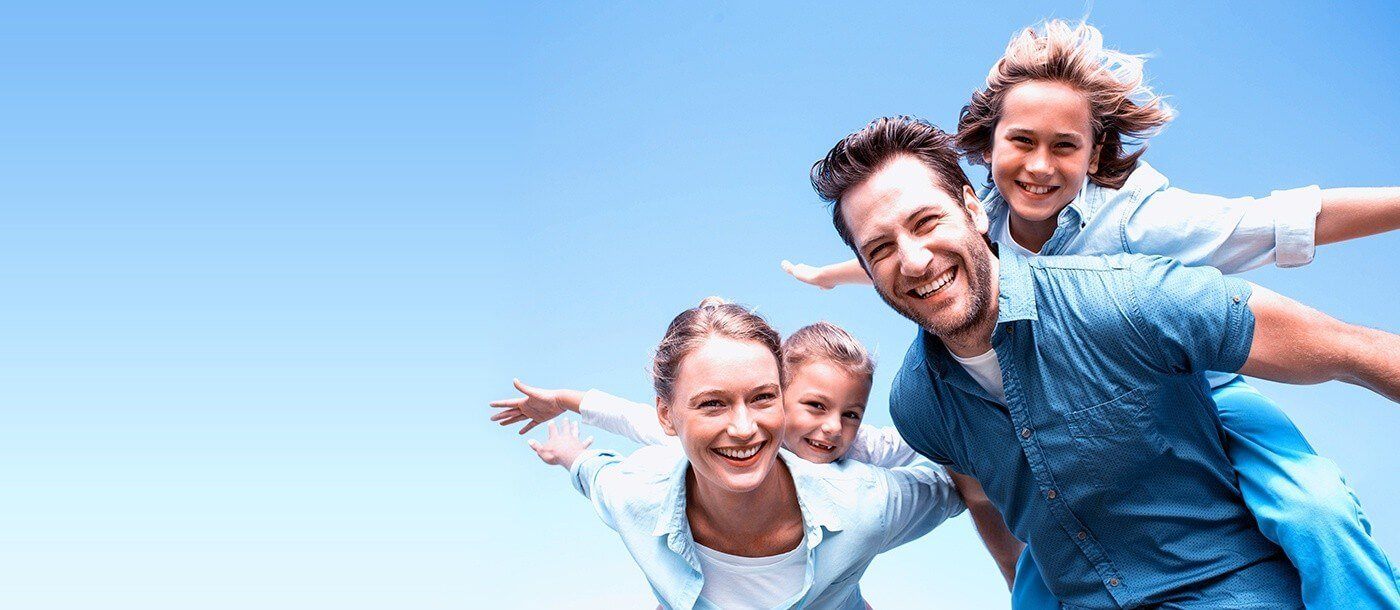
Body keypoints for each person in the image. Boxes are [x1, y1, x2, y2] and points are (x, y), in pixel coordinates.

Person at [787, 21, 1400, 609]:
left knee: (1316, 512)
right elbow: (910, 261)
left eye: (1064, 146)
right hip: (1081, 532)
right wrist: (831, 275)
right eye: (1021, 142)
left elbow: (1289, 233)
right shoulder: (928, 390)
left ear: (1094, 152)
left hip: (1202, 388)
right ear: (989, 150)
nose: (1039, 167)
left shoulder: (1136, 246)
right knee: (1036, 577)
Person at [492, 321, 1026, 587]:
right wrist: (565, 408)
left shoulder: (863, 457)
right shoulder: (707, 446)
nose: (831, 429)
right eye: (814, 406)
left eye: (850, 414)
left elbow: (931, 436)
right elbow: (626, 423)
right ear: (780, 393)